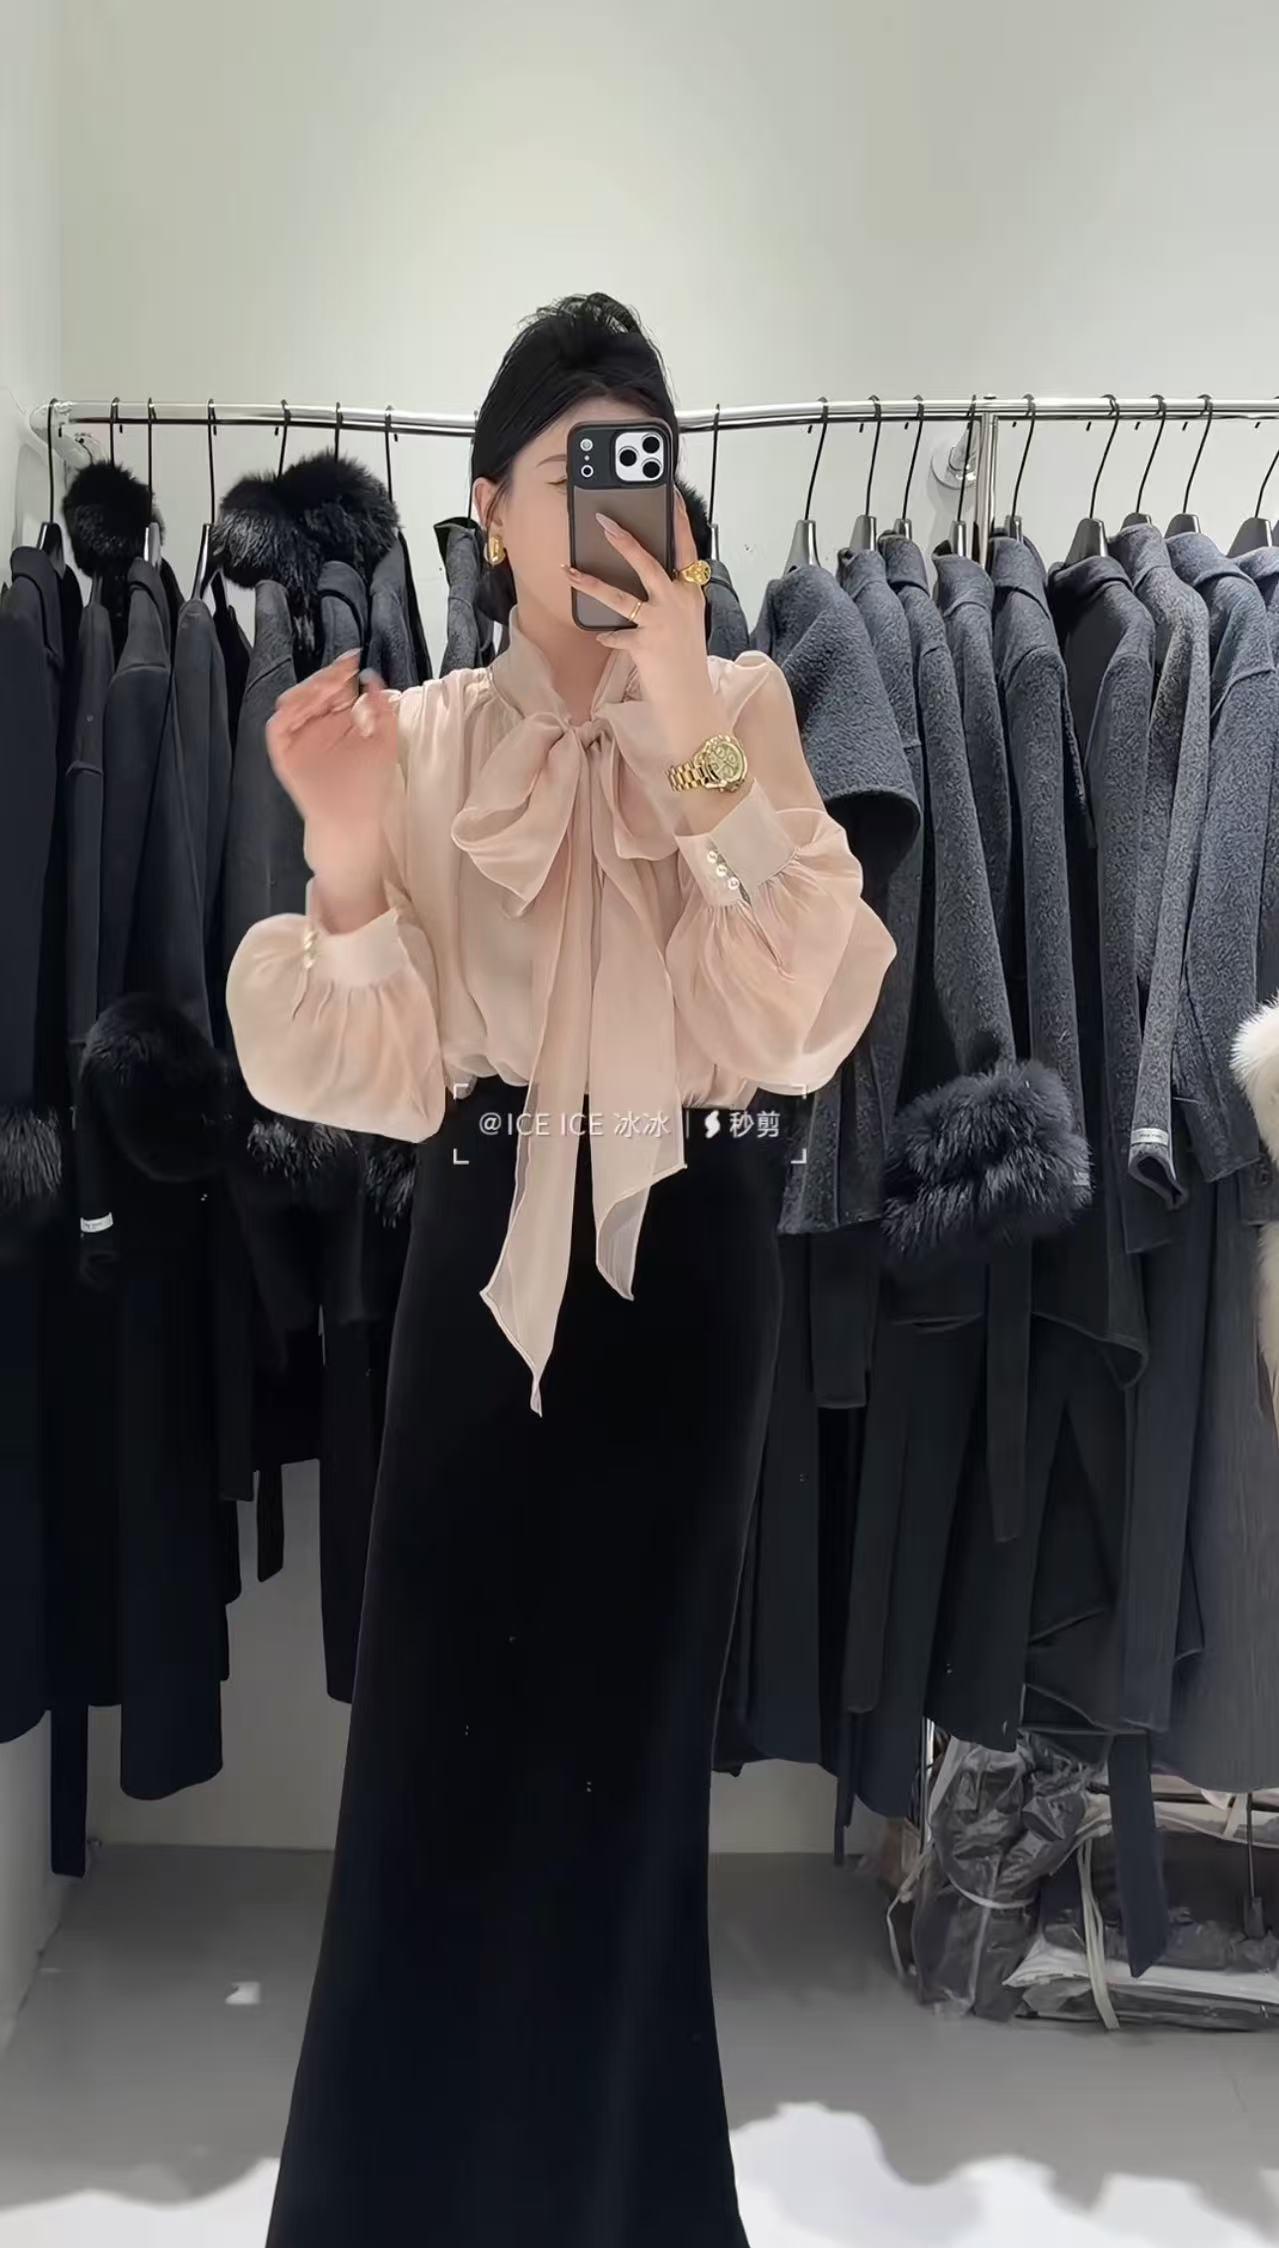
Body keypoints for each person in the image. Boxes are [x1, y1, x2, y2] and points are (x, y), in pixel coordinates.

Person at [226, 291, 894, 2248]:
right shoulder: (426, 739)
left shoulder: (742, 710)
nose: (615, 505)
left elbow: (801, 1015)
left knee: (625, 1801)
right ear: (489, 509)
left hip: (687, 1280)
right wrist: (346, 853)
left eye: (644, 467)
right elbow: (354, 1062)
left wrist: (688, 727)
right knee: (423, 1785)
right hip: (477, 1274)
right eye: (574, 468)